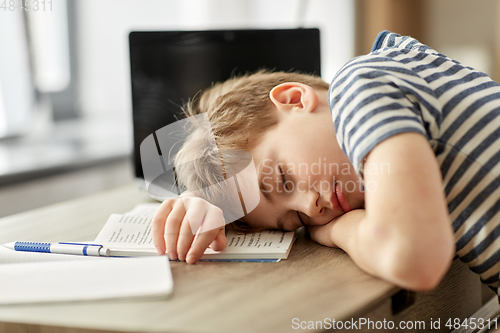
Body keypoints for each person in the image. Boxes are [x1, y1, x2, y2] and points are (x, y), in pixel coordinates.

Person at [151, 31, 500, 296]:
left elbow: (412, 259)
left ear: (293, 100)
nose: (311, 207)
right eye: (295, 221)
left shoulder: (359, 87)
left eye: (284, 180)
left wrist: (334, 231)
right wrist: (208, 201)